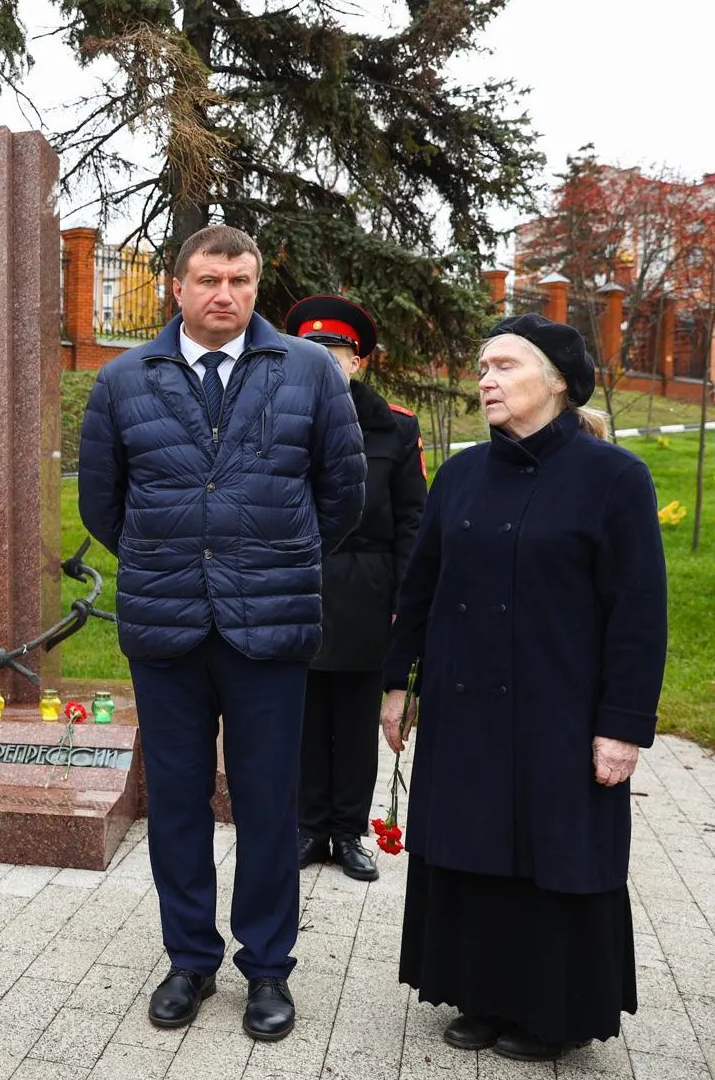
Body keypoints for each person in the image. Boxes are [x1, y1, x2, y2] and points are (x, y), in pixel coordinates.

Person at [77, 226, 366, 1041]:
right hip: (167, 627)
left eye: (240, 280)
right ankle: (189, 959)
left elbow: (341, 496)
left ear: (256, 287)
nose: (224, 294)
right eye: (208, 279)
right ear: (176, 287)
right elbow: (105, 503)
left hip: (268, 625)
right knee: (175, 803)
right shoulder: (124, 379)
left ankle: (269, 969)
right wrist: (170, 554)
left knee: (269, 804)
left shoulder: (308, 371)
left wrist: (276, 554)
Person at [382, 314, 665, 1063]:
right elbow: (422, 585)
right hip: (464, 702)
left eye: (505, 365)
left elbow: (640, 610)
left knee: (552, 853)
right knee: (473, 844)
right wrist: (395, 683)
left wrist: (625, 725)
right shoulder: (462, 472)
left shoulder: (614, 478)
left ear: (560, 382)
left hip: (560, 710)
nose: (487, 379)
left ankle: (551, 1012)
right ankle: (480, 992)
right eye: (482, 367)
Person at [282, 297, 426, 883]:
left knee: (357, 715)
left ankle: (348, 831)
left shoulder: (395, 425)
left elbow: (414, 522)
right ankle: (309, 826)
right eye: (312, 352)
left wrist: (404, 602)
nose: (325, 361)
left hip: (367, 589)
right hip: (297, 584)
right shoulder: (279, 418)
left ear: (358, 362)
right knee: (305, 716)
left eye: (336, 352)